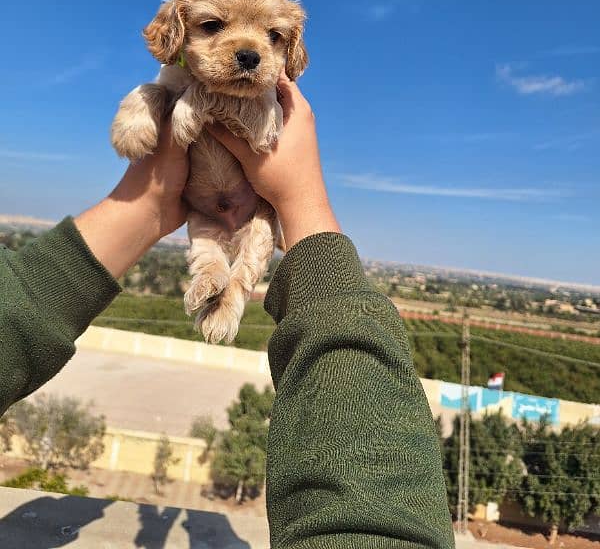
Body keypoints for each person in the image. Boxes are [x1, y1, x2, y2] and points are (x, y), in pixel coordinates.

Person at [0, 75, 454, 549]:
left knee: (247, 245)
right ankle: (215, 276)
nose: (246, 50)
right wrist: (303, 201)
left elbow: (258, 133)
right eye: (213, 25)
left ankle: (230, 288)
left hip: (243, 206)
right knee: (210, 247)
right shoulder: (174, 76)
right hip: (209, 206)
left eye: (272, 35)